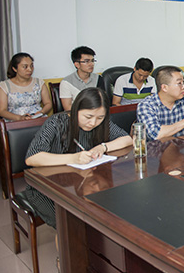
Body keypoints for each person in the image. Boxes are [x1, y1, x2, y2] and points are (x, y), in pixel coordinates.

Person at [24, 87, 132, 228]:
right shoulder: (56, 123)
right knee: (69, 224)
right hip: (47, 188)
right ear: (76, 109)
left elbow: (127, 139)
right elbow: (32, 157)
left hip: (84, 182)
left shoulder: (101, 124)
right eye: (88, 117)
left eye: (100, 118)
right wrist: (73, 158)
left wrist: (103, 147)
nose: (93, 123)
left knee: (107, 213)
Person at [0, 52, 52, 121]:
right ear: (15, 69)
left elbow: (48, 103)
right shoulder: (4, 86)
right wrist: (20, 118)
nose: (30, 69)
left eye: (31, 66)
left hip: (38, 119)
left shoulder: (39, 83)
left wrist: (41, 112)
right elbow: (2, 111)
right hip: (14, 121)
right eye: (25, 67)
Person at [60, 46, 104, 111]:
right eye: (87, 61)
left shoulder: (98, 78)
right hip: (76, 114)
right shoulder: (66, 82)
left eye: (92, 61)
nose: (91, 64)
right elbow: (68, 108)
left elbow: (103, 101)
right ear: (77, 64)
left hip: (97, 113)